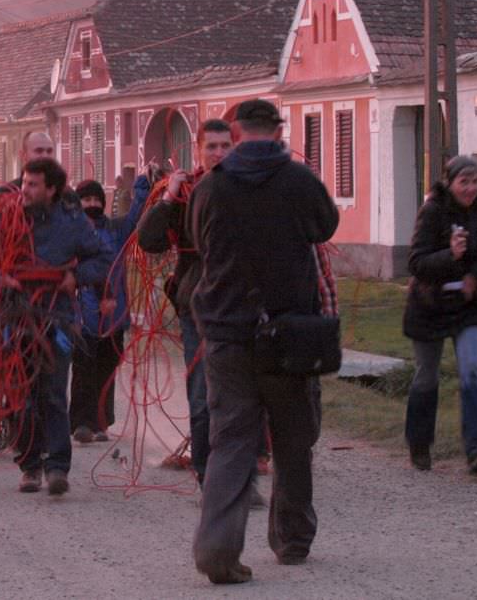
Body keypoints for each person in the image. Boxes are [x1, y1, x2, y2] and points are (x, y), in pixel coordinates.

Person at [187, 99, 338, 583]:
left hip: (229, 331)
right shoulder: (298, 180)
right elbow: (326, 226)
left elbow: (197, 239)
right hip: (288, 332)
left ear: (235, 131)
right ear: (277, 131)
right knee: (293, 438)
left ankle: (218, 552)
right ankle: (292, 540)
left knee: (231, 441)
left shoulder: (210, 185)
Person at [0, 158, 113, 495]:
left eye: (32, 185)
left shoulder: (73, 223)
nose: (24, 189)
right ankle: (30, 466)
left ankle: (58, 467)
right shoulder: (3, 217)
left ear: (52, 189)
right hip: (13, 316)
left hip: (55, 316)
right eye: (24, 182)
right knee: (20, 393)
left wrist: (76, 276)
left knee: (54, 393)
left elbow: (103, 257)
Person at [137, 119, 233, 484]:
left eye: (225, 146)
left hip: (241, 303)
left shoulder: (247, 189)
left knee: (241, 390)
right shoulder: (185, 192)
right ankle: (207, 472)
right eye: (212, 146)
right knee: (202, 390)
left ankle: (239, 464)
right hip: (198, 304)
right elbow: (149, 240)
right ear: (199, 151)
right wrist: (167, 196)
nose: (219, 153)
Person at [403, 155, 477, 474]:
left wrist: (475, 275)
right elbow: (417, 264)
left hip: (469, 306)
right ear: (449, 183)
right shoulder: (432, 211)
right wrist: (451, 255)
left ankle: (476, 448)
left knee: (474, 369)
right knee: (427, 375)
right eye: (464, 182)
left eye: (475, 181)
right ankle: (419, 444)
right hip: (430, 306)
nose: (471, 188)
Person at [70, 174, 149, 443]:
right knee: (83, 369)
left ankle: (101, 423)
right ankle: (81, 422)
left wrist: (142, 189)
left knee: (107, 368)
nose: (91, 203)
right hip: (82, 315)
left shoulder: (116, 230)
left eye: (95, 199)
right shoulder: (71, 235)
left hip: (114, 314)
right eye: (86, 199)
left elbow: (135, 218)